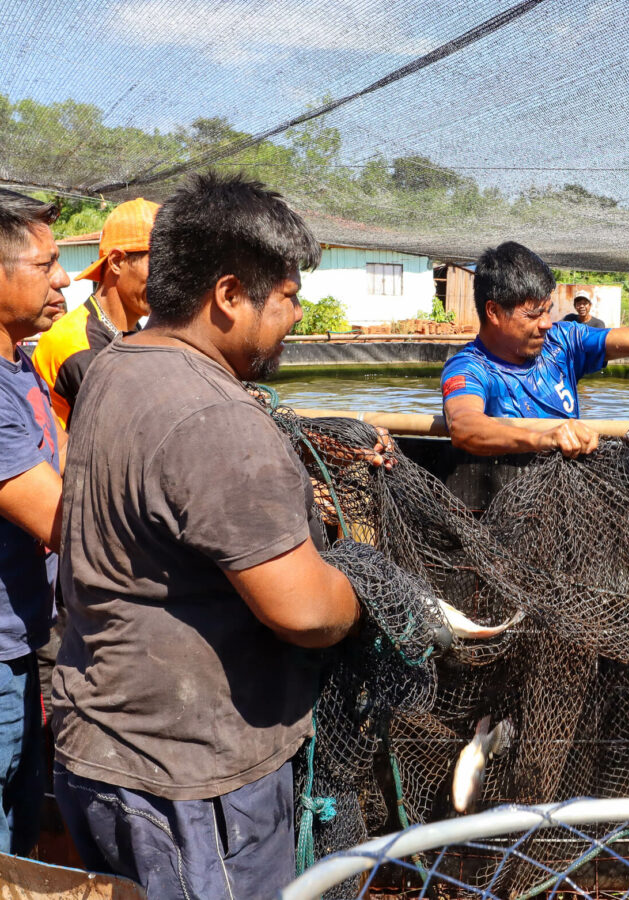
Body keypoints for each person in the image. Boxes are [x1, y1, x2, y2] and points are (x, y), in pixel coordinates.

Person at [50, 172, 390, 899]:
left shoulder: (117, 365)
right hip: (190, 787)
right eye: (291, 296)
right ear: (230, 295)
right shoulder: (216, 416)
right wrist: (366, 594)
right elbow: (304, 611)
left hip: (105, 749)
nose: (298, 314)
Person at [441, 240, 629, 457]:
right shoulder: (470, 368)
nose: (546, 323)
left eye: (548, 310)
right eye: (533, 315)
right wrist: (545, 436)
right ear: (493, 311)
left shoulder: (563, 341)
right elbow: (465, 425)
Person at [0, 189, 69, 854]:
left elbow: (73, 475)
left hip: (22, 640)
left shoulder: (21, 365)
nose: (63, 278)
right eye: (46, 265)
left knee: (22, 819)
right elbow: (62, 517)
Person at [33, 198, 158, 431]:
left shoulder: (125, 330)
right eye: (158, 265)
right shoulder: (79, 347)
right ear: (117, 261)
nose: (166, 279)